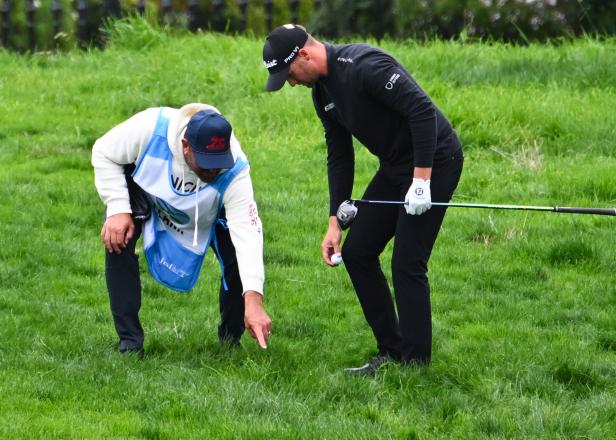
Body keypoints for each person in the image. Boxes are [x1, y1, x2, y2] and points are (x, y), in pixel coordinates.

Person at [263, 24, 463, 375]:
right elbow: (340, 154)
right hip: (395, 166)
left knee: (407, 262)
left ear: (304, 55)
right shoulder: (321, 93)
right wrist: (333, 223)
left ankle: (415, 366)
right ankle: (393, 351)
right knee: (357, 253)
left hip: (436, 159)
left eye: (289, 74)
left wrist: (421, 182)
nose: (291, 83)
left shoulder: (366, 66)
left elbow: (421, 111)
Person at [92, 103, 272, 356]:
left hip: (208, 208)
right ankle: (130, 343)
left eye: (219, 162)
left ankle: (231, 342)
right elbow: (103, 151)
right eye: (207, 162)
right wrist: (118, 207)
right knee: (117, 237)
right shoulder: (149, 127)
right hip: (150, 193)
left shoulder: (235, 168)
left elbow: (249, 235)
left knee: (235, 255)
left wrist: (254, 300)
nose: (214, 169)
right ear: (186, 145)